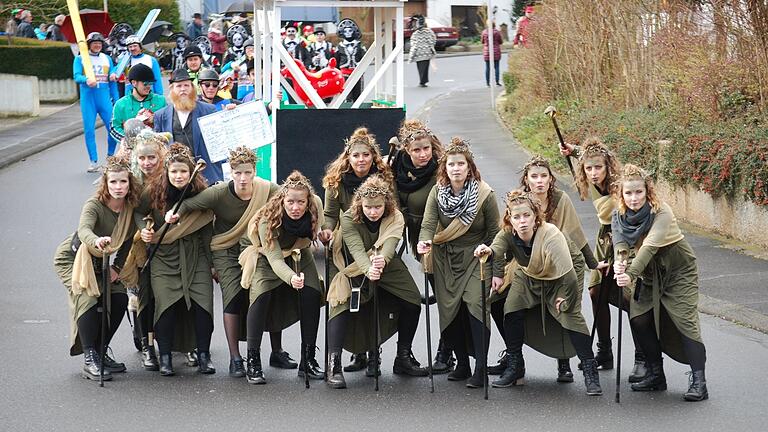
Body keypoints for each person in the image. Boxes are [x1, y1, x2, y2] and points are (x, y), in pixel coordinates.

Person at [165, 146, 291, 378]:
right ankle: (235, 358)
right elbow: (188, 204)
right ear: (230, 172)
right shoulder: (219, 193)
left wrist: (316, 227)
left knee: (266, 295)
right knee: (232, 297)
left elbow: (297, 200)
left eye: (248, 173)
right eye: (237, 173)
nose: (243, 178)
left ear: (255, 171)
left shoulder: (268, 190)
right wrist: (174, 215)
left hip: (257, 249)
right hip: (226, 250)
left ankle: (277, 351)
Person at [488, 156, 609, 382]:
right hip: (527, 262)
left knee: (563, 309)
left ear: (551, 179)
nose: (539, 181)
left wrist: (594, 264)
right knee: (500, 302)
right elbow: (503, 236)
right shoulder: (519, 200)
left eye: (544, 176)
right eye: (534, 176)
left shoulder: (560, 199)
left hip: (561, 260)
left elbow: (576, 234)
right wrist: (496, 271)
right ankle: (514, 359)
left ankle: (564, 364)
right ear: (527, 179)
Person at [474, 190, 602, 395]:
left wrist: (567, 296)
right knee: (509, 306)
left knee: (570, 315)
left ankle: (590, 370)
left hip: (562, 276)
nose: (522, 221)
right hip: (530, 276)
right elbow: (497, 248)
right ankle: (515, 365)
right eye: (516, 217)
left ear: (536, 217)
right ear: (510, 219)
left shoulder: (550, 234)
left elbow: (569, 274)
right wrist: (488, 252)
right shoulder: (508, 232)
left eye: (527, 216)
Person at [612, 164, 709, 401]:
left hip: (677, 270)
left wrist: (631, 273)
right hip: (649, 272)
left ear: (648, 192)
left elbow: (650, 246)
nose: (634, 198)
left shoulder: (661, 212)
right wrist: (620, 264)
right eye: (628, 193)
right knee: (639, 318)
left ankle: (699, 381)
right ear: (621, 194)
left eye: (638, 193)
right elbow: (620, 244)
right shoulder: (618, 215)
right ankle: (656, 375)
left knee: (684, 320)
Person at [325, 176, 428, 389]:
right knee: (340, 302)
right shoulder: (348, 218)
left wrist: (382, 261)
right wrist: (368, 268)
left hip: (386, 264)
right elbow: (355, 248)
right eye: (368, 207)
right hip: (353, 263)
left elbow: (390, 244)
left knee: (412, 300)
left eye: (378, 207)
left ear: (386, 204)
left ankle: (403, 356)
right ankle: (333, 364)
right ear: (359, 204)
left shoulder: (396, 216)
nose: (373, 212)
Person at [416, 138, 500, 388]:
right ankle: (462, 362)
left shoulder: (484, 193)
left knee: (475, 305)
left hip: (477, 257)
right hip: (445, 259)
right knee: (450, 311)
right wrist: (424, 243)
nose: (456, 168)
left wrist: (496, 266)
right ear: (445, 168)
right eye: (451, 164)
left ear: (469, 167)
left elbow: (496, 233)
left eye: (460, 164)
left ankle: (481, 368)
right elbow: (428, 224)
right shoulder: (437, 193)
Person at [562, 138, 646, 381]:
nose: (593, 172)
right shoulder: (589, 175)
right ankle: (605, 352)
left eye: (598, 167)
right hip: (604, 239)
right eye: (588, 168)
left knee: (631, 298)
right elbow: (588, 155)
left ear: (608, 166)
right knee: (596, 292)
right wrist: (574, 150)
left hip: (629, 239)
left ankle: (642, 356)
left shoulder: (620, 185)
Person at [53, 156, 140, 380]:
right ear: (105, 183)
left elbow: (129, 240)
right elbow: (83, 230)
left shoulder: (130, 209)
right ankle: (89, 357)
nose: (118, 187)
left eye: (123, 182)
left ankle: (101, 350)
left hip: (102, 262)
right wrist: (95, 241)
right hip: (75, 258)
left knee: (119, 297)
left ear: (129, 183)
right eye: (113, 182)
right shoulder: (94, 204)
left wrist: (117, 267)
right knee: (88, 298)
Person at [135, 143, 216, 376]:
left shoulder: (201, 192)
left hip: (195, 254)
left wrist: (212, 264)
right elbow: (139, 213)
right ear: (166, 172)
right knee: (166, 306)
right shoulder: (153, 191)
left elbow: (206, 229)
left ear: (191, 172)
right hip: (164, 255)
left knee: (203, 305)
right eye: (174, 171)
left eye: (183, 171)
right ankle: (166, 357)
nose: (179, 176)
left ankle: (204, 355)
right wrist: (144, 230)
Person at [320, 127, 394, 374]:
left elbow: (394, 211)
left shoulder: (384, 179)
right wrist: (327, 230)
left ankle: (374, 355)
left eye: (366, 155)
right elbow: (330, 214)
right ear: (348, 158)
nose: (361, 160)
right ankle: (346, 358)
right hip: (347, 245)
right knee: (347, 300)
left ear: (373, 156)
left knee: (374, 298)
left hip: (377, 242)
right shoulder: (336, 182)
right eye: (356, 155)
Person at [240, 171, 325, 384]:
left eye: (300, 202)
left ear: (308, 201)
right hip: (268, 257)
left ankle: (308, 360)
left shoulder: (316, 205)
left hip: (299, 253)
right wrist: (291, 278)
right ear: (282, 199)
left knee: (313, 294)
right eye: (290, 202)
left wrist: (324, 233)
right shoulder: (267, 219)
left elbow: (318, 228)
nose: (295, 207)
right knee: (260, 299)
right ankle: (253, 361)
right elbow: (275, 259)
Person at [389, 120, 455, 373]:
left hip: (442, 239)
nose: (423, 154)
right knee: (441, 294)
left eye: (426, 148)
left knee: (447, 298)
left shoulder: (442, 170)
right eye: (416, 150)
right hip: (418, 241)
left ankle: (446, 352)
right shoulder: (397, 167)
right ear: (406, 149)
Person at [153, 69, 222, 183]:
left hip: (205, 174)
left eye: (186, 85)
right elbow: (159, 149)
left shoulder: (209, 110)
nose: (183, 89)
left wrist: (229, 114)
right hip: (176, 177)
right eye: (179, 86)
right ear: (172, 89)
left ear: (192, 88)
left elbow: (220, 140)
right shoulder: (160, 116)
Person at [73, 32, 119, 173]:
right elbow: (76, 76)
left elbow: (112, 80)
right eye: (94, 43)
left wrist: (117, 100)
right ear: (89, 44)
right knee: (89, 130)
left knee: (113, 129)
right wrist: (86, 80)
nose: (97, 45)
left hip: (104, 98)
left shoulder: (107, 58)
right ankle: (93, 161)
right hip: (88, 99)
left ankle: (111, 157)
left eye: (99, 43)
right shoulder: (80, 59)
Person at [110, 64, 167, 143]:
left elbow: (168, 124)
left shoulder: (161, 101)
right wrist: (129, 141)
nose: (149, 86)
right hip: (131, 149)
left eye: (151, 83)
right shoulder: (121, 104)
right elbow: (114, 128)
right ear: (134, 83)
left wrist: (155, 120)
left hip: (156, 147)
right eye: (145, 83)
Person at [335, 19, 366, 102]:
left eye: (350, 30)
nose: (348, 33)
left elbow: (364, 58)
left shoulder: (359, 45)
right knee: (346, 95)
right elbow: (336, 62)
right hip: (344, 73)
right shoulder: (339, 47)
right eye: (345, 31)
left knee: (358, 94)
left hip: (357, 72)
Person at [407, 15, 437, 87]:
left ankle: (422, 81)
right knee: (425, 67)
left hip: (418, 53)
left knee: (420, 68)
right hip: (427, 52)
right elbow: (434, 40)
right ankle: (423, 81)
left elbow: (414, 45)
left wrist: (411, 57)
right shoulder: (429, 31)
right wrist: (431, 47)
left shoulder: (415, 34)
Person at [481, 22, 503, 87]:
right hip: (496, 51)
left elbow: (482, 41)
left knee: (487, 68)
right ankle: (497, 82)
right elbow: (500, 41)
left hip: (487, 52)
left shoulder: (484, 32)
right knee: (496, 67)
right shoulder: (497, 32)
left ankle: (487, 83)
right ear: (494, 25)